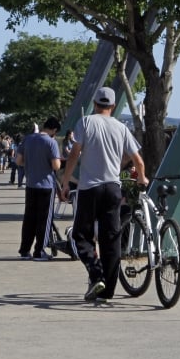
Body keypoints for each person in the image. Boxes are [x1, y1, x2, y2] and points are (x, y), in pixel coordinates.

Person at [60, 87, 148, 301]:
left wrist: (65, 181)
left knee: (81, 235)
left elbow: (74, 153)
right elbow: (137, 160)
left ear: (95, 103)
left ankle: (96, 273)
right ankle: (107, 291)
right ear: (113, 106)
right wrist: (141, 178)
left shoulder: (86, 122)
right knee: (111, 239)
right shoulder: (121, 127)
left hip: (89, 188)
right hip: (112, 189)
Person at [16, 117, 62, 260]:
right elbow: (56, 166)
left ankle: (25, 250)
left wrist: (32, 164)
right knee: (44, 219)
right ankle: (39, 251)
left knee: (29, 218)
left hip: (30, 184)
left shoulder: (27, 139)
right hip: (46, 185)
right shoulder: (51, 142)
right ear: (54, 130)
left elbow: (18, 161)